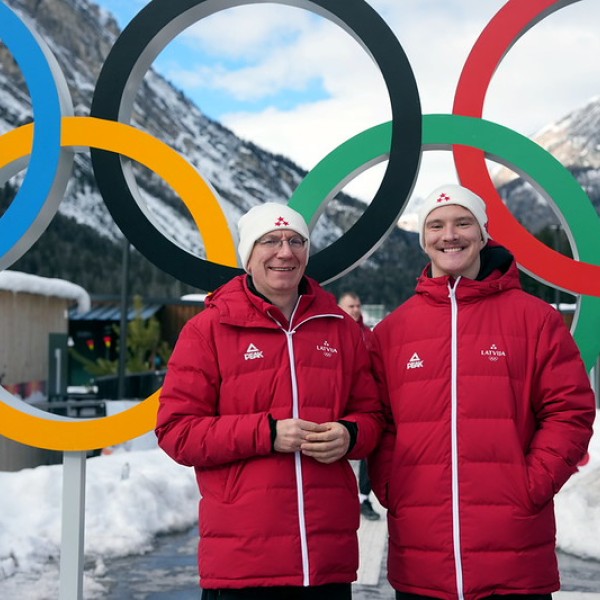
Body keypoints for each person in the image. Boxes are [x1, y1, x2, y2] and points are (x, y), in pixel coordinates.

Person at [369, 183, 596, 600]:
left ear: (483, 233)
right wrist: (393, 486)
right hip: (423, 559)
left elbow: (570, 411)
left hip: (515, 558)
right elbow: (379, 421)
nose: (449, 235)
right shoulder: (392, 332)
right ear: (423, 238)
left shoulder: (536, 320)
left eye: (463, 223)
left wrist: (530, 484)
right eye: (436, 225)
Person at [156, 202, 383, 600]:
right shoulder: (207, 330)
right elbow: (177, 432)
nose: (285, 251)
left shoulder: (340, 329)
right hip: (244, 563)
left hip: (325, 560)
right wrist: (267, 433)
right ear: (248, 255)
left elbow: (372, 416)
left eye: (296, 241)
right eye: (270, 241)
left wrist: (350, 434)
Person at [338, 291, 381, 521]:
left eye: (357, 306)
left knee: (368, 448)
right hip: (339, 401)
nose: (355, 310)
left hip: (363, 403)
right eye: (350, 306)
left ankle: (363, 498)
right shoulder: (333, 331)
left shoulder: (368, 334)